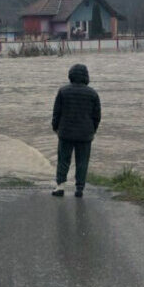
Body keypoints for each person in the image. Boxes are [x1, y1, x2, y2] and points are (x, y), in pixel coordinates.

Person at [51, 63, 101, 197]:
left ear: (71, 75)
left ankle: (60, 186)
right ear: (86, 77)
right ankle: (79, 188)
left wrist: (55, 127)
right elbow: (97, 116)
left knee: (63, 160)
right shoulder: (93, 94)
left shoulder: (63, 91)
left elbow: (57, 112)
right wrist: (93, 130)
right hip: (85, 134)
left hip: (65, 132)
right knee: (82, 161)